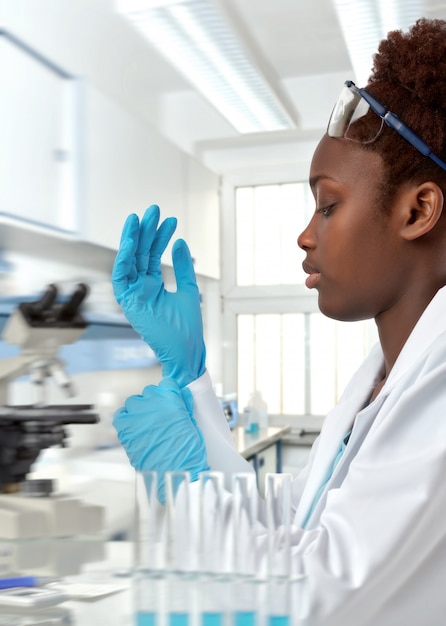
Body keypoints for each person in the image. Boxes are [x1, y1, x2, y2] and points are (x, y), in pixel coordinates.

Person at [111, 18, 446, 626]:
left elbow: (314, 595)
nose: (305, 234)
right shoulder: (386, 370)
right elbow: (301, 513)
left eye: (328, 204)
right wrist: (191, 380)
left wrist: (184, 486)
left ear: (418, 209)